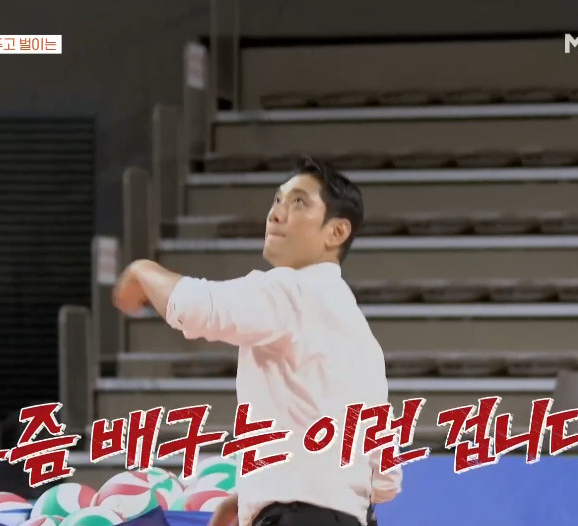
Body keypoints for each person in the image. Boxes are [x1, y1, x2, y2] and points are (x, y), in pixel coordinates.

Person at [113, 157, 402, 526]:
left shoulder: (292, 288)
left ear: (336, 232)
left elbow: (196, 307)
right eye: (277, 200)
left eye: (298, 203)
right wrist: (255, 497)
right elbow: (385, 479)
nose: (276, 214)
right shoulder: (362, 338)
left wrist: (141, 271)